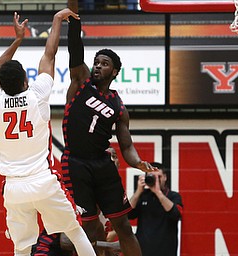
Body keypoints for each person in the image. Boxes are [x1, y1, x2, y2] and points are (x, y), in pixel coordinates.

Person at [0, 9, 96, 256]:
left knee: (21, 246)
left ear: (1, 85)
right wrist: (57, 20)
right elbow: (49, 54)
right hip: (43, 181)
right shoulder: (37, 96)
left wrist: (17, 40)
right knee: (76, 232)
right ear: (26, 80)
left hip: (13, 188)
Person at [60, 0, 157, 255]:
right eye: (96, 62)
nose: (97, 66)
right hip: (76, 162)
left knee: (123, 226)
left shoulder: (119, 106)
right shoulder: (81, 81)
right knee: (89, 229)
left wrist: (137, 163)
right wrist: (74, 13)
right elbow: (75, 47)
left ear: (114, 71)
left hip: (102, 164)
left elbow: (126, 145)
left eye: (104, 64)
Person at [128, 162, 183, 256]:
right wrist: (137, 192)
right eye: (153, 177)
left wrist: (158, 192)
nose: (156, 181)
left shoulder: (173, 196)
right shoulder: (143, 196)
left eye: (159, 177)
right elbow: (128, 214)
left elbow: (176, 214)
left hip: (166, 252)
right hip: (143, 252)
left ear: (165, 177)